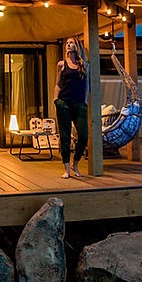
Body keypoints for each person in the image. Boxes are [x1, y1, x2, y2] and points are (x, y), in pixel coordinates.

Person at [54, 36, 89, 178]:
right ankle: (66, 169)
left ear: (77, 46)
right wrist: (56, 100)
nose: (68, 45)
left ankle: (75, 164)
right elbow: (58, 84)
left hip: (79, 104)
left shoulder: (84, 65)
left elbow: (86, 85)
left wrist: (85, 101)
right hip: (64, 103)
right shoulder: (61, 64)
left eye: (71, 43)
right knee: (65, 136)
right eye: (67, 43)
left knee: (83, 136)